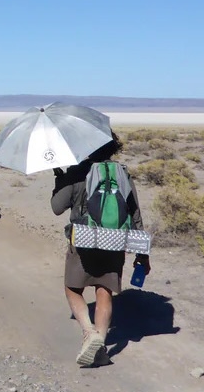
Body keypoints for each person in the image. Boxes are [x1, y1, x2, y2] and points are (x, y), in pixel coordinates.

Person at [51, 134, 150, 366]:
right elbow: (135, 213)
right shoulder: (121, 173)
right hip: (115, 241)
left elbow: (57, 208)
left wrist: (60, 181)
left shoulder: (77, 172)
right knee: (104, 289)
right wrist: (142, 253)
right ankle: (101, 343)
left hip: (83, 241)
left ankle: (89, 332)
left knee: (72, 288)